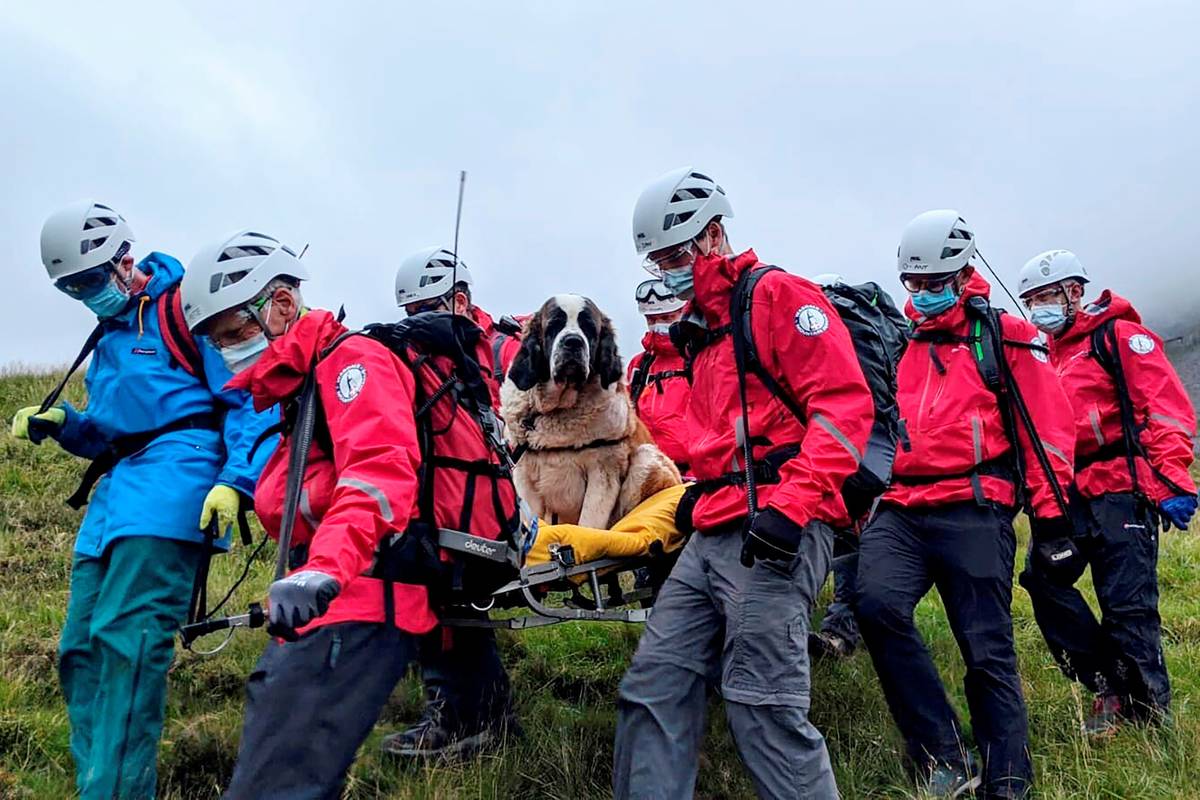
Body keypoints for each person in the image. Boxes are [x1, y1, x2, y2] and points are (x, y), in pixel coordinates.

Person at [179, 230, 519, 799]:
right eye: (218, 343)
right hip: (333, 600)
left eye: (234, 334)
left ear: (281, 305)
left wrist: (325, 569)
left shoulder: (350, 363)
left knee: (278, 783)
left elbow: (379, 474)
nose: (228, 352)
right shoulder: (303, 385)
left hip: (359, 598)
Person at [613, 167, 875, 799]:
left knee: (762, 706)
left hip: (776, 530)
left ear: (714, 236)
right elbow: (723, 437)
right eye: (657, 260)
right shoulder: (701, 331)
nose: (667, 269)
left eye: (676, 254)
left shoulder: (779, 298)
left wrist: (792, 508)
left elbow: (842, 409)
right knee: (654, 687)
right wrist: (703, 488)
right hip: (716, 527)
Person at [8, 201, 273, 800]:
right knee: (80, 648)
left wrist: (236, 482)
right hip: (114, 499)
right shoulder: (108, 338)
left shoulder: (188, 310)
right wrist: (66, 424)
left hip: (174, 487)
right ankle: (99, 784)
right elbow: (110, 430)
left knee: (128, 642)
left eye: (91, 280)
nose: (85, 294)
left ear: (124, 260)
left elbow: (250, 402)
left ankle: (119, 793)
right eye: (71, 288)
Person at [854, 210, 1076, 799]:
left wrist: (1052, 520)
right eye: (914, 284)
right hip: (902, 505)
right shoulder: (903, 343)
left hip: (976, 506)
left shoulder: (1005, 336)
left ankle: (1007, 779)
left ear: (964, 272)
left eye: (934, 283)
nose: (923, 294)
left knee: (985, 647)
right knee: (874, 605)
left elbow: (1048, 429)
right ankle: (942, 753)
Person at [1016, 249, 1197, 732]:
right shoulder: (1041, 356)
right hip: (1066, 495)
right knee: (1041, 581)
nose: (1038, 309)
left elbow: (1163, 406)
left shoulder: (1120, 338)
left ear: (1075, 292)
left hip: (1122, 488)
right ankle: (1107, 683)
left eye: (1046, 297)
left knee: (1128, 605)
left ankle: (1149, 717)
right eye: (1030, 301)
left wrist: (1174, 478)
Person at [380, 246, 520, 759]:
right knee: (442, 602)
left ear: (458, 300)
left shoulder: (503, 348)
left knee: (448, 603)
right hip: (440, 503)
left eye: (427, 310)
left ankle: (463, 715)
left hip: (497, 504)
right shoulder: (418, 356)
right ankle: (480, 716)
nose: (418, 323)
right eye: (410, 315)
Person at [627, 278, 692, 474]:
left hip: (697, 476)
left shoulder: (703, 358)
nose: (658, 325)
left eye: (667, 317)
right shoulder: (639, 366)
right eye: (652, 319)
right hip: (649, 472)